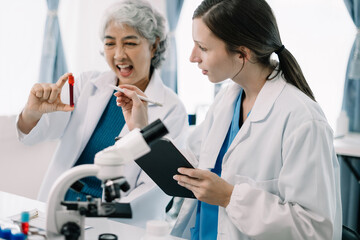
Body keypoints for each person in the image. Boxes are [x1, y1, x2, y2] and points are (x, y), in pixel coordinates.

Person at [115, 0, 342, 239]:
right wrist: (139, 130)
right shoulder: (228, 100)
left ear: (243, 53)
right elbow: (186, 170)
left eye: (202, 47)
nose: (193, 57)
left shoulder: (302, 119)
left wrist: (229, 197)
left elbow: (317, 230)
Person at [16, 0, 188, 227]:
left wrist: (101, 216)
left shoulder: (172, 108)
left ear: (154, 45)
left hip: (118, 220)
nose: (119, 55)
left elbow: (156, 188)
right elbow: (36, 134)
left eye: (130, 43)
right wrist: (32, 112)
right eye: (110, 43)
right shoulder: (87, 85)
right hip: (61, 207)